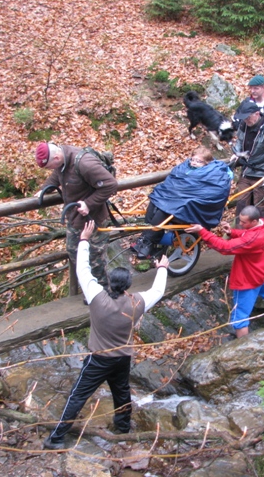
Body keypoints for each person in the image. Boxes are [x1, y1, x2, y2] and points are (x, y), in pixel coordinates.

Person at [43, 221, 170, 450]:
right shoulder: (137, 302)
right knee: (121, 392)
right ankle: (122, 427)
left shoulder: (97, 297)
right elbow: (158, 291)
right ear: (129, 285)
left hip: (99, 358)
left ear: (110, 282)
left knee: (78, 395)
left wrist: (83, 240)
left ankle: (56, 437)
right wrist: (162, 268)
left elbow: (83, 270)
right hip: (122, 358)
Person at [186, 206, 264, 337]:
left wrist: (202, 231)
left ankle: (244, 348)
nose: (240, 224)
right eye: (240, 220)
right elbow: (248, 234)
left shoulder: (253, 239)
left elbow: (225, 248)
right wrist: (232, 233)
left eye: (244, 222)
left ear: (254, 221)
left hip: (248, 281)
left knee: (240, 317)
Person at [35, 142, 118, 286]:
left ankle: (103, 293)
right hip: (76, 218)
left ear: (55, 157)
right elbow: (57, 174)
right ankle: (90, 287)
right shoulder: (62, 160)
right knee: (75, 252)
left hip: (93, 220)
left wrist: (88, 203)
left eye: (48, 166)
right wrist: (44, 190)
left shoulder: (84, 163)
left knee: (94, 259)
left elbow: (110, 184)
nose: (49, 169)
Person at [132, 146, 233, 259]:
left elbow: (208, 192)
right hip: (175, 198)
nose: (194, 163)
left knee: (165, 209)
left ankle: (148, 242)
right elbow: (174, 181)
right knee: (155, 199)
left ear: (206, 163)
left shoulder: (212, 174)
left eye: (198, 161)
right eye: (193, 160)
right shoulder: (185, 168)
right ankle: (146, 237)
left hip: (191, 208)